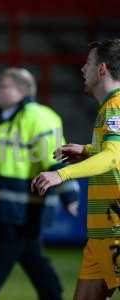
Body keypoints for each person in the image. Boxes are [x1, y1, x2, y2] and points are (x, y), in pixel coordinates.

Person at [0, 68, 80, 300]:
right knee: (32, 259)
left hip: (19, 210)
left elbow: (54, 156)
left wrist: (69, 194)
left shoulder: (37, 116)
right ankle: (54, 295)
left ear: (21, 90)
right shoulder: (2, 118)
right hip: (6, 209)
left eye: (3, 86)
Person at [32, 39, 120, 300]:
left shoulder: (115, 106)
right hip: (100, 234)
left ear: (102, 69)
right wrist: (86, 151)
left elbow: (113, 157)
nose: (83, 68)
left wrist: (60, 173)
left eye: (88, 63)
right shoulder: (109, 107)